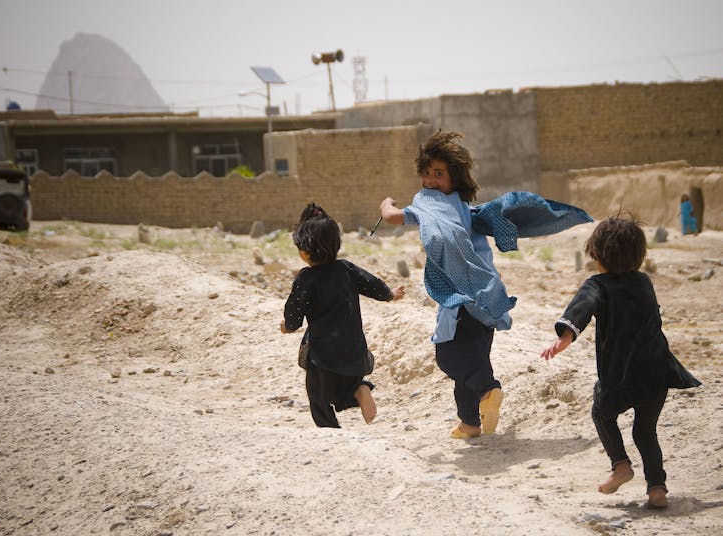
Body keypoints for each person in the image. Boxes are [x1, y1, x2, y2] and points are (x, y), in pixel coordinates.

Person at [541, 216, 701, 509]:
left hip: (621, 376)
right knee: (645, 431)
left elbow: (583, 307)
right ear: (638, 256)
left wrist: (566, 336)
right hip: (657, 373)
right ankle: (657, 489)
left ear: (597, 256)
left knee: (602, 412)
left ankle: (621, 466)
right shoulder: (644, 282)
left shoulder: (597, 285)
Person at [379, 130, 509, 439]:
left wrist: (385, 204)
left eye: (438, 173)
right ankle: (470, 424)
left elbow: (394, 217)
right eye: (426, 174)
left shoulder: (433, 206)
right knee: (472, 362)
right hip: (484, 297)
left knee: (448, 355)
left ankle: (489, 391)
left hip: (461, 300)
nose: (431, 181)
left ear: (455, 178)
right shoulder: (464, 208)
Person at [281, 203, 405, 428]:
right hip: (353, 350)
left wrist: (287, 326)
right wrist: (390, 294)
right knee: (344, 389)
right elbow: (372, 284)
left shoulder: (306, 279)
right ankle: (360, 389)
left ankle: (331, 431)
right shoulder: (346, 269)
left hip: (323, 354)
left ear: (305, 251)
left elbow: (294, 313)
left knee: (319, 397)